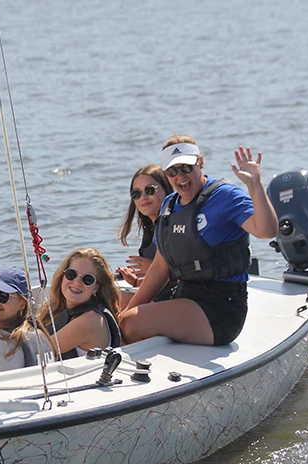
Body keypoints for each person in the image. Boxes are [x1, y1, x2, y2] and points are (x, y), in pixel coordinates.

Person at [118, 134, 278, 346]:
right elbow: (159, 267)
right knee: (118, 315)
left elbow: (266, 231)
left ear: (200, 163)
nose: (180, 176)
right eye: (173, 171)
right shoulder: (169, 205)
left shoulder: (225, 196)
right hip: (184, 297)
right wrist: (126, 313)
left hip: (222, 308)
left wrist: (255, 185)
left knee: (131, 323)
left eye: (187, 168)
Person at [42, 248, 122, 358]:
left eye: (87, 279)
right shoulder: (56, 308)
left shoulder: (91, 320)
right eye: (71, 274)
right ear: (62, 276)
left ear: (95, 288)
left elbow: (39, 351)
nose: (77, 282)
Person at [116, 164, 177, 306]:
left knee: (106, 297)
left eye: (150, 190)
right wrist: (136, 281)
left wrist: (155, 269)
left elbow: (188, 277)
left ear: (166, 189)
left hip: (177, 301)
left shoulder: (176, 225)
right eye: (136, 194)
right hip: (159, 296)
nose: (143, 197)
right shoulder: (152, 227)